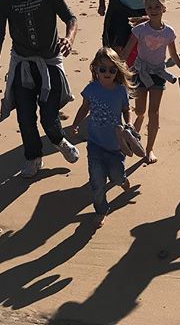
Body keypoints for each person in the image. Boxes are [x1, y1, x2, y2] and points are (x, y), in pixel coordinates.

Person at [0, 0, 80, 178]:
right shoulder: (4, 0)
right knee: (25, 117)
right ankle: (33, 158)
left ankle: (59, 141)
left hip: (49, 62)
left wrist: (69, 39)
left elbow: (71, 18)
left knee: (49, 116)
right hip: (22, 64)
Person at [121, 0, 180, 164]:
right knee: (140, 111)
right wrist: (117, 70)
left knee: (154, 112)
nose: (153, 10)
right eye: (150, 7)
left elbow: (174, 55)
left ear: (163, 8)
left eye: (157, 7)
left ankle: (149, 149)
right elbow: (125, 52)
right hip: (140, 72)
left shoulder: (169, 32)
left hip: (159, 74)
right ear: (146, 9)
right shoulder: (140, 30)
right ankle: (135, 130)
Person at [71, 48, 133, 228]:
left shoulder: (120, 91)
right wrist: (75, 124)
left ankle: (122, 180)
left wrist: (128, 125)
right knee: (97, 182)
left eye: (112, 70)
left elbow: (126, 110)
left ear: (117, 72)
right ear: (95, 69)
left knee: (116, 175)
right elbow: (84, 108)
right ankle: (100, 210)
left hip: (116, 145)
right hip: (95, 144)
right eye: (102, 69)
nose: (107, 73)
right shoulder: (91, 89)